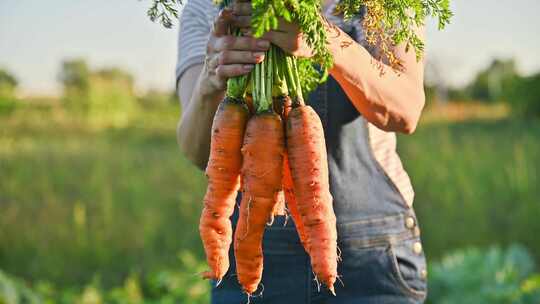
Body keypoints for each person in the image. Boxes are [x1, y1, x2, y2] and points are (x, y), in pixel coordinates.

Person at [176, 0, 428, 303]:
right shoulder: (208, 6)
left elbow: (406, 110)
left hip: (372, 257)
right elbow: (196, 150)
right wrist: (211, 78)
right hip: (250, 254)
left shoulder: (383, 4)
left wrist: (324, 40)